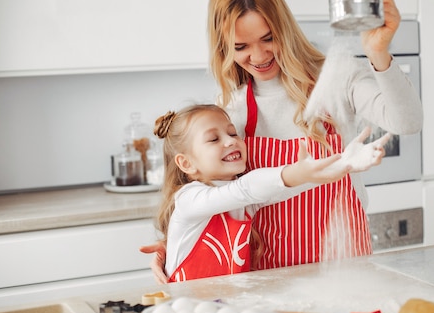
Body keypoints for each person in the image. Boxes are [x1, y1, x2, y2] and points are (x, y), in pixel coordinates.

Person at [141, 0, 423, 283]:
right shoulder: (229, 112)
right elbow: (214, 195)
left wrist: (378, 52)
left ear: (284, 29)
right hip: (267, 277)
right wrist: (179, 244)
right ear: (224, 47)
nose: (259, 56)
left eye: (268, 38)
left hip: (345, 268)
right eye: (241, 47)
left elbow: (407, 122)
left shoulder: (335, 78)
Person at [152, 103, 388, 282]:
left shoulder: (241, 201)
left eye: (233, 134)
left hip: (224, 304)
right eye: (213, 139)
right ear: (186, 164)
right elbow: (247, 189)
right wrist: (296, 172)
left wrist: (344, 164)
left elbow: (285, 189)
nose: (231, 142)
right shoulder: (189, 199)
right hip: (185, 307)